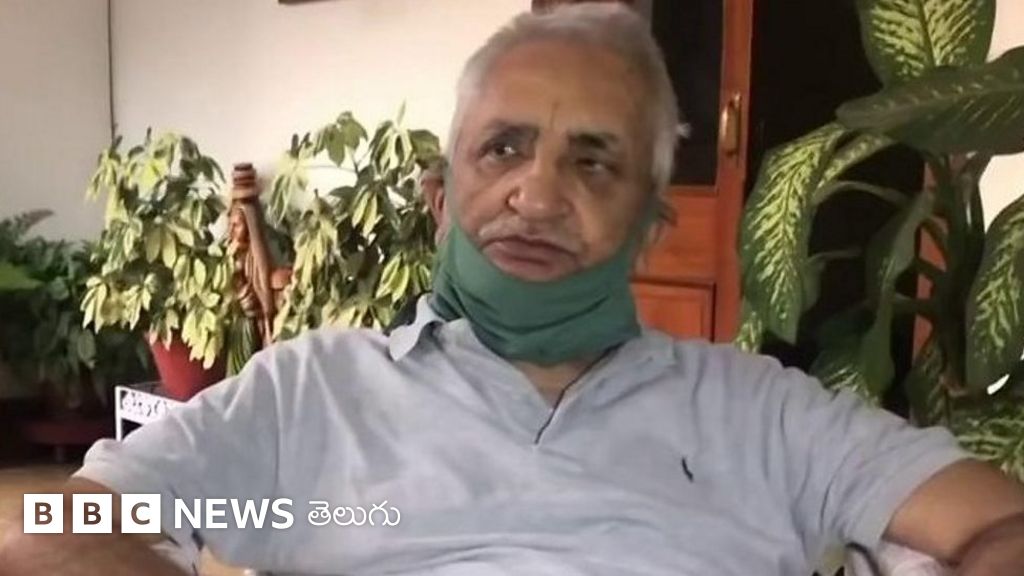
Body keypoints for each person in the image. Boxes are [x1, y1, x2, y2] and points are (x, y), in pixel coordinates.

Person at [4, 5, 1024, 575]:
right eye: (502, 149)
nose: (535, 196)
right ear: (440, 198)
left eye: (593, 162)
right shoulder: (311, 399)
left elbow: (995, 527)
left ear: (649, 223)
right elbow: (48, 527)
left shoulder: (761, 415)